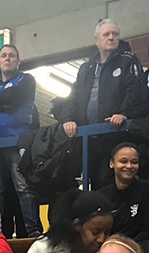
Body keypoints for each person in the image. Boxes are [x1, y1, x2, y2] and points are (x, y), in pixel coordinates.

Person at [59, 19, 144, 187]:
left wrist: (124, 113)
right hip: (89, 138)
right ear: (97, 41)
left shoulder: (128, 60)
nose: (111, 37)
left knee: (114, 182)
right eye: (106, 34)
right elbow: (73, 97)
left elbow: (135, 90)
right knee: (94, 183)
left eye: (115, 34)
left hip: (116, 134)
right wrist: (68, 119)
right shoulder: (86, 68)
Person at [0, 44, 41, 237]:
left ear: (18, 61)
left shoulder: (26, 80)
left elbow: (15, 96)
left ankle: (33, 231)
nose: (7, 58)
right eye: (4, 55)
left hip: (16, 141)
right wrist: (3, 104)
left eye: (12, 55)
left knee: (23, 187)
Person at [97, 143, 149, 244]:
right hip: (109, 247)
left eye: (134, 162)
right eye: (123, 161)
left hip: (138, 247)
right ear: (112, 163)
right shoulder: (101, 196)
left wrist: (127, 247)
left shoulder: (148, 189)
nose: (129, 166)